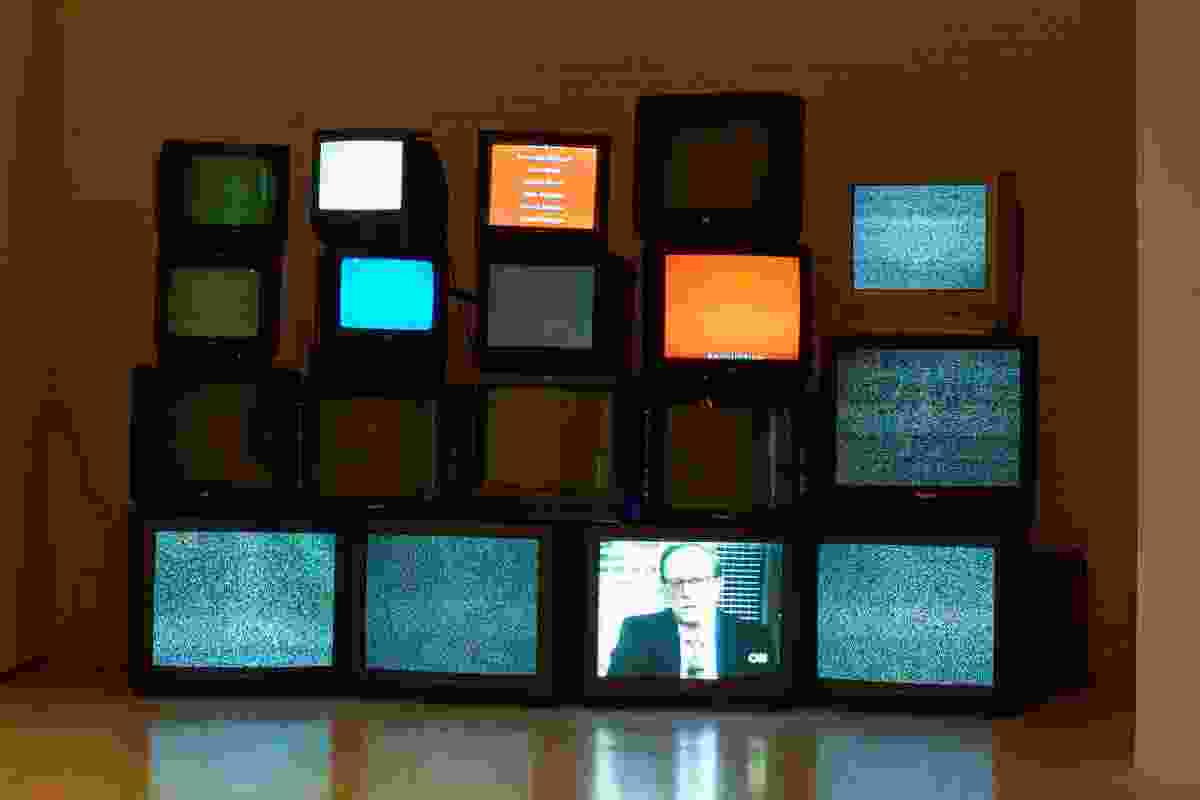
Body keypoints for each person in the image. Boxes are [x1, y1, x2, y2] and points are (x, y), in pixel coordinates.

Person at [607, 543, 775, 679]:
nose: (686, 592)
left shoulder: (755, 637)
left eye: (696, 581)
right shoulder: (637, 632)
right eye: (676, 582)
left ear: (717, 585)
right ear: (664, 587)